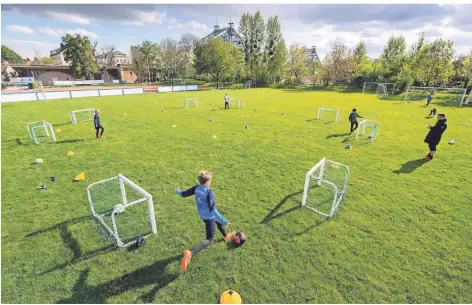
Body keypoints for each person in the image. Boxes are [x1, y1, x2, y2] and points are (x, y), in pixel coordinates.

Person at [176, 170, 235, 272]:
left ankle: (226, 236)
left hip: (202, 215)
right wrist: (224, 221)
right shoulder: (209, 192)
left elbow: (183, 194)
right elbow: (213, 210)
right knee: (210, 239)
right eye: (210, 180)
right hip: (209, 217)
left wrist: (178, 191)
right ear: (207, 181)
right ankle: (190, 253)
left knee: (217, 222)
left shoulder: (196, 188)